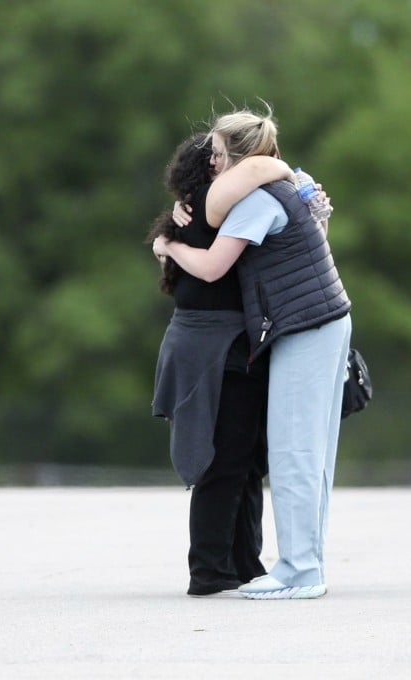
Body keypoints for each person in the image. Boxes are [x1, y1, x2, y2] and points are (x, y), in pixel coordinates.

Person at [153, 104, 351, 600]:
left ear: (238, 157)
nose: (212, 160)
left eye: (218, 151)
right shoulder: (273, 189)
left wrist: (167, 245)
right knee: (284, 454)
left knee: (290, 453)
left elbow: (216, 267)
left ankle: (297, 569)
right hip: (305, 325)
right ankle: (281, 565)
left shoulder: (255, 196)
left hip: (300, 327)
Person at [149, 132, 297, 597]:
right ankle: (213, 568)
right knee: (232, 460)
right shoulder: (209, 210)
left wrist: (165, 242)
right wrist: (167, 244)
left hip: (208, 342)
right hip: (223, 346)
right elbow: (214, 271)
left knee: (242, 459)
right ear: (212, 167)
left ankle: (241, 563)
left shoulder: (191, 214)